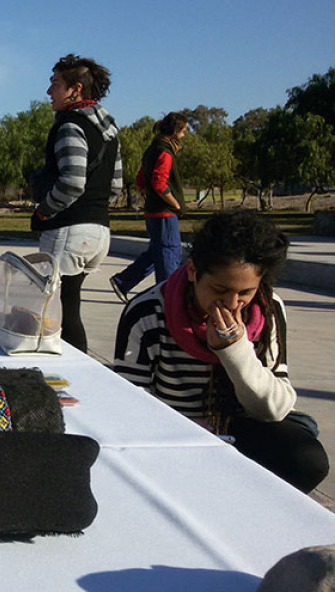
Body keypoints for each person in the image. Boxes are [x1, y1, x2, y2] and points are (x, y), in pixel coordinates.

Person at [114, 210, 328, 493]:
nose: (232, 303)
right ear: (192, 271)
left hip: (244, 427)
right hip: (172, 435)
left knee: (306, 458)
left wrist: (234, 351)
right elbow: (127, 405)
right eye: (219, 290)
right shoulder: (147, 312)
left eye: (245, 292)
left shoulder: (267, 309)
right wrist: (185, 428)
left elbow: (274, 408)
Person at [30, 53, 122, 352]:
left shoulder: (71, 125)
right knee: (70, 304)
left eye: (55, 83)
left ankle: (74, 378)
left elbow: (72, 182)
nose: (48, 91)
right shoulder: (109, 130)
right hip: (99, 232)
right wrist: (92, 211)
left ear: (75, 89)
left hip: (69, 231)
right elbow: (116, 186)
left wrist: (44, 212)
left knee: (59, 313)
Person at [109, 113, 189, 302]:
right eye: (184, 131)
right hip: (164, 213)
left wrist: (150, 196)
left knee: (157, 251)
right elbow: (159, 182)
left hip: (152, 211)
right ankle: (168, 297)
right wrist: (174, 203)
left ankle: (124, 281)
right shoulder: (165, 152)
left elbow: (140, 179)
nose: (184, 136)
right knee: (169, 253)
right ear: (175, 131)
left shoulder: (151, 150)